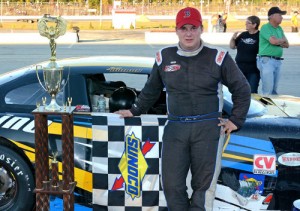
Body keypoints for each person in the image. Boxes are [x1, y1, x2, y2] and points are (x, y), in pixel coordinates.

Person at [115, 7, 251, 211]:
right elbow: (151, 90)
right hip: (176, 127)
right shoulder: (164, 56)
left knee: (203, 187)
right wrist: (134, 110)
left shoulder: (219, 56)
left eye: (193, 28)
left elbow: (242, 88)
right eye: (183, 28)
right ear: (176, 30)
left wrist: (236, 119)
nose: (189, 33)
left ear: (201, 29)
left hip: (208, 128)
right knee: (171, 184)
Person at [257, 6, 289, 95]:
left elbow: (287, 44)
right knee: (268, 90)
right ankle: (266, 108)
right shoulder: (265, 27)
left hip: (277, 61)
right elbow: (273, 41)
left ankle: (272, 108)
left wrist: (278, 41)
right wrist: (280, 41)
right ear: (271, 16)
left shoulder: (279, 29)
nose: (282, 17)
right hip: (267, 61)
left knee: (274, 90)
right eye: (279, 15)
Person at [229, 16, 261, 93]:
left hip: (253, 69)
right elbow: (232, 46)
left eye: (248, 23)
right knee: (239, 90)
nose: (245, 24)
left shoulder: (260, 36)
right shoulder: (243, 34)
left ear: (254, 25)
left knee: (252, 91)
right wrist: (233, 38)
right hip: (239, 67)